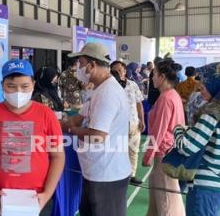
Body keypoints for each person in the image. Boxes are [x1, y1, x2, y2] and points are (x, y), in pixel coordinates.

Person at [0, 59, 65, 216]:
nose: (18, 92)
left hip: (38, 197)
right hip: (0, 197)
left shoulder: (46, 115)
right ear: (2, 85)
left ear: (33, 84)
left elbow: (57, 157)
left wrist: (47, 193)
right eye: (11, 86)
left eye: (25, 86)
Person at [66, 43, 131, 216]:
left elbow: (97, 136)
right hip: (95, 172)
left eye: (81, 63)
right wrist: (52, 122)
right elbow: (79, 118)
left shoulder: (107, 93)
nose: (78, 68)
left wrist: (72, 130)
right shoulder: (98, 89)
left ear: (92, 65)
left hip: (108, 175)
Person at [173, 62, 220, 216]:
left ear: (216, 84)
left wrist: (179, 129)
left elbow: (186, 146)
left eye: (205, 83)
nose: (200, 87)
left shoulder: (213, 113)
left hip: (205, 186)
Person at [142, 58, 186, 216]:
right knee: (158, 198)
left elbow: (159, 131)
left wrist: (148, 155)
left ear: (162, 77)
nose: (152, 77)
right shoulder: (172, 95)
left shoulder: (166, 98)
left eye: (154, 74)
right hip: (169, 152)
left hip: (164, 154)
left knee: (166, 201)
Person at [110, 60, 145, 186]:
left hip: (134, 122)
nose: (119, 72)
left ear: (125, 70)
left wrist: (142, 120)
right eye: (115, 70)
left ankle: (132, 175)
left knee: (134, 150)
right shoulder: (110, 87)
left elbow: (139, 103)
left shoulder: (133, 85)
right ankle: (120, 175)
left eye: (120, 69)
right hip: (118, 126)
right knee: (120, 151)